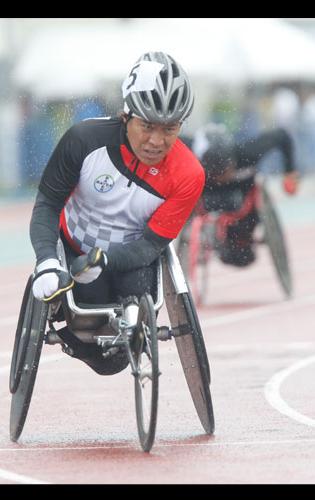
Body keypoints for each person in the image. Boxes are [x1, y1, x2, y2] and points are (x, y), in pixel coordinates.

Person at [28, 51, 204, 374]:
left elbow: (152, 245)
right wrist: (46, 261)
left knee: (134, 297)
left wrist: (107, 261)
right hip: (74, 250)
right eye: (147, 126)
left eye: (169, 129)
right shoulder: (83, 140)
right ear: (126, 115)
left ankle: (126, 341)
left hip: (131, 260)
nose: (156, 141)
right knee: (87, 307)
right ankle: (76, 335)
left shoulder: (189, 175)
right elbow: (47, 205)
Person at [184, 122, 299, 267]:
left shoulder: (248, 153)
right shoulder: (190, 152)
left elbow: (282, 136)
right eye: (216, 173)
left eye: (225, 171)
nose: (221, 178)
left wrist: (290, 173)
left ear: (232, 161)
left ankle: (238, 241)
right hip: (206, 196)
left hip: (242, 202)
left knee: (242, 255)